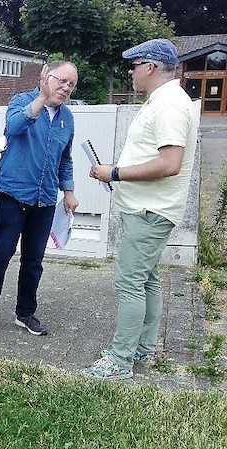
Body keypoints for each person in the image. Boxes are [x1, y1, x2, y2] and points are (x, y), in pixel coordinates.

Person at [83, 39, 197, 380]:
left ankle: (120, 360)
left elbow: (170, 163)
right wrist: (116, 170)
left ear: (150, 67)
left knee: (130, 282)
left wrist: (115, 173)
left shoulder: (169, 105)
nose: (130, 73)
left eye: (134, 66)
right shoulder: (162, 100)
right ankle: (144, 348)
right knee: (146, 279)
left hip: (150, 210)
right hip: (147, 208)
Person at [0, 61, 79, 336]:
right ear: (46, 76)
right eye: (62, 81)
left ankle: (25, 313)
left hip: (45, 199)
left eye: (71, 84)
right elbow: (13, 127)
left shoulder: (67, 118)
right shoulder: (21, 101)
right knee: (1, 254)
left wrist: (68, 191)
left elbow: (65, 159)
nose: (66, 88)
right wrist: (41, 98)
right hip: (13, 195)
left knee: (34, 260)